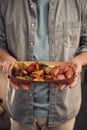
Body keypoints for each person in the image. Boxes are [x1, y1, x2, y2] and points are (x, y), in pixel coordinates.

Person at [0, 0, 87, 130]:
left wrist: (79, 61)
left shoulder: (81, 2)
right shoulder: (5, 3)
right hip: (20, 108)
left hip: (64, 109)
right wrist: (6, 60)